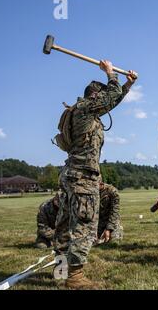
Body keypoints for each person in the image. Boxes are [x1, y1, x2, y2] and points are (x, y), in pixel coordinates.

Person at [54, 60, 137, 289]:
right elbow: (110, 97)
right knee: (83, 226)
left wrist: (127, 86)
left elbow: (112, 99)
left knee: (63, 225)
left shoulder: (81, 111)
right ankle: (75, 277)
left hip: (72, 174)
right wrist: (111, 73)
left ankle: (60, 272)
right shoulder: (85, 108)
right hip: (83, 177)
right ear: (94, 96)